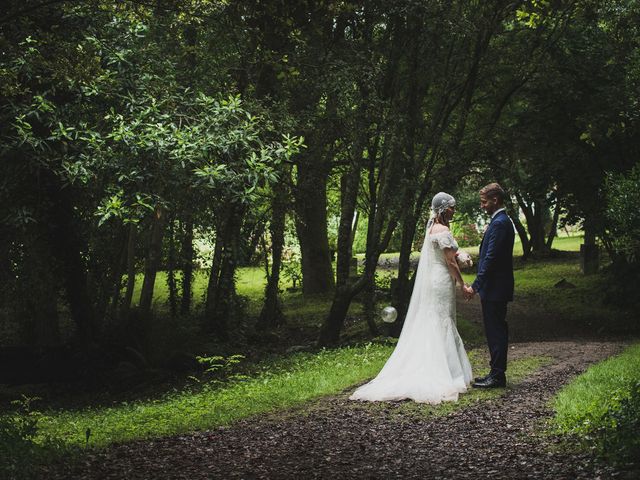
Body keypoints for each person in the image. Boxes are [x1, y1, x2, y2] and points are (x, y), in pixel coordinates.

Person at [349, 192, 473, 403]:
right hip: (442, 280)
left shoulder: (433, 229)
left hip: (435, 278)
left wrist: (460, 258)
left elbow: (448, 257)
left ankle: (444, 369)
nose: (454, 210)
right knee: (442, 321)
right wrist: (464, 284)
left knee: (436, 320)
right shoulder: (442, 230)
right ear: (443, 209)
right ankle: (444, 373)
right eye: (451, 207)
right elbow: (450, 262)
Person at [463, 183, 515, 388]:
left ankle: (498, 376)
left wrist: (475, 286)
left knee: (496, 331)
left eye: (484, 202)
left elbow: (490, 258)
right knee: (494, 330)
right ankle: (495, 372)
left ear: (495, 200)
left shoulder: (500, 223)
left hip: (496, 288)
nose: (482, 206)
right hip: (495, 287)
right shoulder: (499, 221)